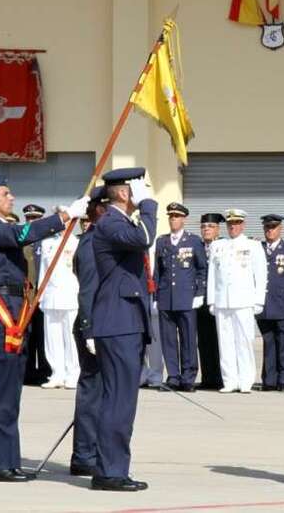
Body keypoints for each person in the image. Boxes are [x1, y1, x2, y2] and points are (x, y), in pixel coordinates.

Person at [0, 175, 88, 482]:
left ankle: (9, 461)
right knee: (2, 395)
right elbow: (24, 234)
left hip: (15, 309)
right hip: (0, 314)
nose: (12, 197)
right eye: (6, 194)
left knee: (11, 395)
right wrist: (65, 216)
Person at [90, 167, 156, 492]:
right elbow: (145, 239)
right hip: (118, 322)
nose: (145, 192)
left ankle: (113, 467)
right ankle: (110, 472)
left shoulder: (122, 222)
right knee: (119, 400)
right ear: (123, 192)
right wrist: (149, 205)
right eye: (139, 188)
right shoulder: (111, 223)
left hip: (126, 321)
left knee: (122, 400)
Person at [207, 208, 267, 394]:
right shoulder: (218, 246)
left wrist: (259, 300)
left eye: (236, 223)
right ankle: (230, 380)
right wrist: (211, 300)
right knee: (225, 343)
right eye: (230, 223)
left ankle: (246, 380)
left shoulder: (253, 246)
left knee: (244, 342)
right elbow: (212, 275)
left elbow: (261, 274)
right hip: (222, 301)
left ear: (243, 225)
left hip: (243, 301)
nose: (233, 226)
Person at [70, 186, 108, 477]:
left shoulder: (102, 238)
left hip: (105, 324)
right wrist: (90, 329)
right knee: (92, 392)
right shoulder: (93, 241)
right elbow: (88, 289)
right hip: (94, 325)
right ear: (100, 209)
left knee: (101, 392)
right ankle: (85, 454)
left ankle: (93, 451)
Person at [153, 202, 207, 392]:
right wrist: (155, 297)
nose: (173, 220)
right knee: (168, 340)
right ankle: (173, 377)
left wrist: (199, 293)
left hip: (186, 298)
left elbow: (202, 269)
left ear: (184, 219)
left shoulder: (193, 241)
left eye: (177, 216)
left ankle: (188, 377)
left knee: (188, 339)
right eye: (171, 216)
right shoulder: (162, 241)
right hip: (166, 298)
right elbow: (157, 271)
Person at [256, 214, 284, 391]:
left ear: (280, 229)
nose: (270, 231)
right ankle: (269, 380)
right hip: (264, 305)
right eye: (267, 227)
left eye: (273, 227)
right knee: (268, 342)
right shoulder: (258, 248)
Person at [38, 207, 81, 389]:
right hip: (50, 295)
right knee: (52, 337)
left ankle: (73, 373)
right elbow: (43, 271)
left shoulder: (75, 242)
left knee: (70, 337)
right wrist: (40, 295)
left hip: (70, 294)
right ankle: (57, 373)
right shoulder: (47, 243)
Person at [22, 203, 52, 385]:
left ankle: (45, 371)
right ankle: (27, 372)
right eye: (28, 218)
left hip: (45, 296)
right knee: (27, 337)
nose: (31, 221)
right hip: (26, 296)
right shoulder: (21, 240)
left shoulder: (49, 240)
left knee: (44, 336)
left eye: (35, 218)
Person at [195, 213, 225, 389]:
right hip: (200, 301)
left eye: (211, 227)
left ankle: (222, 377)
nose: (206, 230)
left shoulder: (224, 246)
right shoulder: (196, 246)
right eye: (204, 227)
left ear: (218, 229)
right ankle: (208, 377)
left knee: (220, 340)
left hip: (220, 300)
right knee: (204, 340)